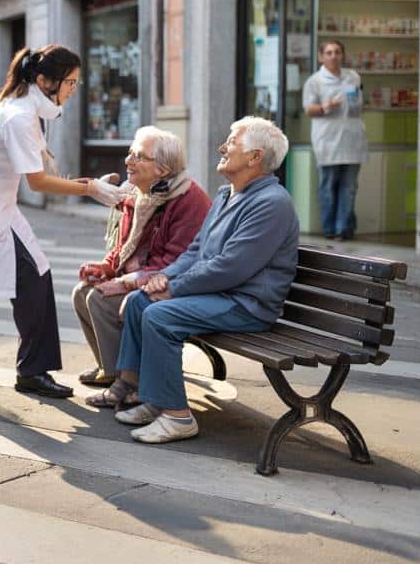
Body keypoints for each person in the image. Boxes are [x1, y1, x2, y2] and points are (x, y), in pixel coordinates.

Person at [0, 45, 125, 403]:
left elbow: (40, 170)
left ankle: (30, 370)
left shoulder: (24, 109)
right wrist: (92, 188)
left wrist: (90, 183)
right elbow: (38, 182)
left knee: (34, 275)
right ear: (45, 80)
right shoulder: (19, 115)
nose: (73, 90)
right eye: (70, 83)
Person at [113, 116, 299, 444]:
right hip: (221, 294)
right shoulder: (227, 194)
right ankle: (152, 397)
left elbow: (230, 268)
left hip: (247, 304)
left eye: (232, 142)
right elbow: (194, 252)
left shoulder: (272, 204)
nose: (222, 147)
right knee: (141, 301)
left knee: (159, 315)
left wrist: (173, 290)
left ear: (255, 157)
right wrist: (160, 278)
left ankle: (177, 417)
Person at [72, 127, 210, 397]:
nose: (128, 161)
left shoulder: (189, 200)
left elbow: (175, 263)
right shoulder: (140, 194)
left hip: (169, 284)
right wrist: (106, 268)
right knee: (82, 292)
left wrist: (124, 284)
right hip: (141, 277)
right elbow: (122, 248)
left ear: (162, 169)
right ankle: (109, 369)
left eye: (139, 156)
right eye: (130, 154)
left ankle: (127, 381)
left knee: (99, 300)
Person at [302, 40, 367, 240]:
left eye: (337, 52)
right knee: (328, 187)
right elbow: (309, 109)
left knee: (349, 188)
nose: (333, 56)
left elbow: (359, 103)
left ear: (342, 55)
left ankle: (344, 229)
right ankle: (330, 229)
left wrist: (355, 103)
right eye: (329, 53)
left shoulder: (353, 77)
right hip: (328, 141)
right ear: (321, 57)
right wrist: (326, 106)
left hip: (352, 139)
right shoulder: (314, 81)